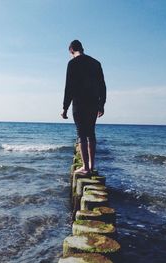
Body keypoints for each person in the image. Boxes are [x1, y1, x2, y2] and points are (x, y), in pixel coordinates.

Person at [61, 40, 106, 174]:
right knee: (91, 133)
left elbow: (69, 87)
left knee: (81, 134)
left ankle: (85, 167)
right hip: (93, 102)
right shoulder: (96, 63)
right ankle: (91, 166)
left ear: (71, 50)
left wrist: (65, 108)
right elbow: (102, 86)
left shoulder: (72, 63)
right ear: (82, 48)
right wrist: (101, 104)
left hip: (79, 102)